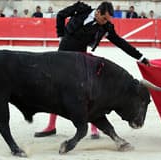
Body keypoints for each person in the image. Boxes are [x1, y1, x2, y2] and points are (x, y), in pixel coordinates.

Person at [34, 1, 150, 139]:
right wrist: (60, 36)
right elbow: (61, 15)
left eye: (108, 19)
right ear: (98, 12)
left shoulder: (105, 27)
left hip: (80, 58)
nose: (105, 22)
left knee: (89, 91)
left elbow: (120, 43)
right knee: (57, 88)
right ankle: (51, 126)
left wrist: (140, 57)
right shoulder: (81, 9)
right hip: (63, 55)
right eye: (104, 18)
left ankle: (94, 128)